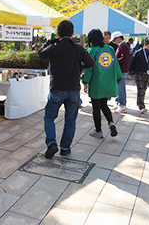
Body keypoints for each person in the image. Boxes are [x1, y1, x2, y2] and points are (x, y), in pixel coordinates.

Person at [38, 20, 95, 158]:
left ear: (57, 34)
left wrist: (49, 42)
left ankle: (51, 143)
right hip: (74, 89)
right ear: (72, 33)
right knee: (70, 120)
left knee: (49, 117)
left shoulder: (54, 48)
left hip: (57, 88)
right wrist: (79, 68)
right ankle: (65, 148)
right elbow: (91, 63)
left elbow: (41, 53)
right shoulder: (79, 48)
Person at [82, 29, 122, 139]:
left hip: (96, 83)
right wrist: (118, 77)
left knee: (96, 107)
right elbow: (116, 65)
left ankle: (98, 130)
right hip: (108, 82)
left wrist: (85, 81)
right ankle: (111, 122)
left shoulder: (91, 51)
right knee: (104, 105)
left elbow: (89, 69)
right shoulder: (109, 49)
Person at [128, 37, 149, 113]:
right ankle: (141, 106)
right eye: (148, 44)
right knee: (140, 88)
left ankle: (139, 102)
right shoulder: (139, 53)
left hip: (148, 73)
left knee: (144, 88)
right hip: (138, 72)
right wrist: (130, 72)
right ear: (145, 44)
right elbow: (132, 63)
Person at [111, 31, 130, 113]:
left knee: (120, 88)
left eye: (115, 40)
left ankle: (122, 104)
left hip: (121, 70)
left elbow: (124, 58)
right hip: (120, 70)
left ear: (118, 38)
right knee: (118, 87)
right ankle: (118, 102)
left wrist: (115, 61)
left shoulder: (124, 46)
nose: (115, 42)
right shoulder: (121, 46)